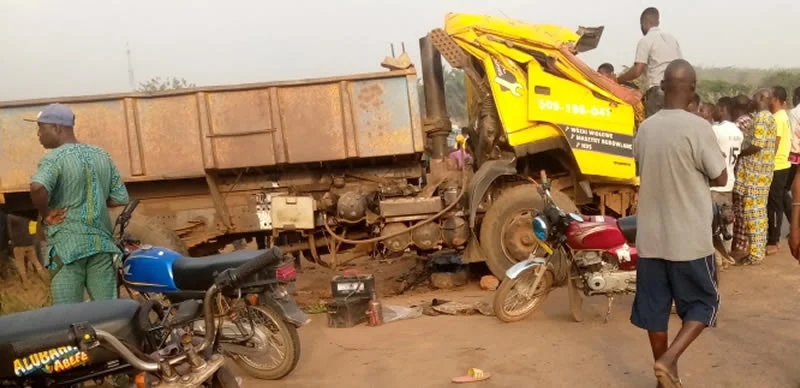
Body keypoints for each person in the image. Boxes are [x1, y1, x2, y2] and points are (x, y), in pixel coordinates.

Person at [631, 59, 726, 388]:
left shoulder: (646, 128)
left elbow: (641, 166)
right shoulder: (698, 127)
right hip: (689, 239)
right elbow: (720, 175)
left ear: (663, 88)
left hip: (651, 239)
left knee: (655, 311)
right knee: (704, 302)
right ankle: (669, 360)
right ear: (693, 89)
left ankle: (663, 379)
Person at [27, 103, 129, 304]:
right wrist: (96, 200)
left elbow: (37, 187)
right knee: (109, 312)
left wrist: (47, 213)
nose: (38, 135)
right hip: (101, 245)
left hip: (68, 248)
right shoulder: (102, 155)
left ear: (57, 128)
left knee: (68, 317)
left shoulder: (54, 159)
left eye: (41, 128)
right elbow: (120, 198)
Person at [732, 89, 778, 265]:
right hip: (760, 172)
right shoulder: (767, 117)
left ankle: (756, 254)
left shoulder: (761, 118)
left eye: (755, 97)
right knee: (758, 212)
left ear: (761, 99)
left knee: (753, 213)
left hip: (755, 173)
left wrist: (741, 153)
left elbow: (757, 144)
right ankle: (757, 250)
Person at [617, 7, 682, 118]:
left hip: (658, 90)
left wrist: (618, 80)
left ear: (643, 23)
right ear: (658, 21)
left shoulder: (646, 40)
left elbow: (637, 70)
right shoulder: (672, 39)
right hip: (677, 91)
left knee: (655, 129)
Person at [711, 97, 744, 253]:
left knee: (713, 221)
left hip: (715, 183)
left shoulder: (716, 130)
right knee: (728, 218)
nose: (714, 112)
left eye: (716, 109)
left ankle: (718, 256)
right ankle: (727, 251)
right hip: (730, 181)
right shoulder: (738, 132)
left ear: (723, 109)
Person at [766, 86, 792, 255]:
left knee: (774, 204)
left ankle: (773, 241)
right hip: (784, 163)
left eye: (768, 97)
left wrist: (767, 162)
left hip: (777, 165)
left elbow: (775, 142)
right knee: (783, 199)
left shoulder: (776, 118)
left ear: (775, 99)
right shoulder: (784, 116)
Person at [7, 214, 46, 284]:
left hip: (18, 244)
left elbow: (9, 231)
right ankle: (44, 278)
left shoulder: (10, 216)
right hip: (29, 243)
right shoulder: (28, 214)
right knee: (36, 262)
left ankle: (26, 283)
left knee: (20, 265)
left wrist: (11, 240)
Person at [784, 87, 800, 227]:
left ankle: (795, 223)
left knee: (784, 189)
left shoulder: (794, 112)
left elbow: (793, 137)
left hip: (796, 157)